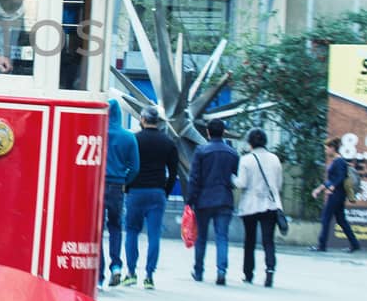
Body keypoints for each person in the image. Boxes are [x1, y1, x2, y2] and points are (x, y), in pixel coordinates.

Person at [122, 107, 179, 290]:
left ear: (142, 119)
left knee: (132, 232)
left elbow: (127, 165)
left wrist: (127, 186)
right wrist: (165, 191)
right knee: (154, 234)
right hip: (157, 192)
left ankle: (130, 273)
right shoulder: (168, 143)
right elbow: (173, 172)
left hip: (136, 192)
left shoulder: (134, 139)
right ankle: (149, 275)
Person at [185, 117, 240, 286]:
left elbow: (194, 178)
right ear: (223, 132)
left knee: (201, 237)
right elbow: (235, 177)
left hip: (204, 200)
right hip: (224, 199)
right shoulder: (233, 153)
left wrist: (190, 200)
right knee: (222, 236)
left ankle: (199, 271)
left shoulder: (201, 151)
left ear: (208, 132)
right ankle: (221, 271)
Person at [234, 127, 284, 287]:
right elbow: (279, 184)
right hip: (270, 204)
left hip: (250, 205)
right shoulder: (275, 159)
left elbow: (241, 184)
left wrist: (231, 178)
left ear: (250, 143)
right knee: (268, 240)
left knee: (249, 240)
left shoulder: (246, 160)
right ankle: (270, 271)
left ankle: (248, 273)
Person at [100, 99, 138, 286]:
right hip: (117, 187)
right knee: (115, 226)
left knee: (95, 231)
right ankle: (116, 266)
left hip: (97, 185)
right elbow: (135, 167)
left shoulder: (97, 132)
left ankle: (98, 274)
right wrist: (124, 181)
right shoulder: (128, 137)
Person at [312, 137, 360, 253]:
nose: (325, 151)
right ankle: (354, 244)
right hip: (337, 194)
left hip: (337, 195)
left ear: (332, 148)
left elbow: (341, 177)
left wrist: (332, 188)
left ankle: (322, 245)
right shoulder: (335, 161)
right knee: (341, 220)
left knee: (325, 218)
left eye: (326, 148)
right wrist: (319, 189)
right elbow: (330, 180)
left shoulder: (339, 161)